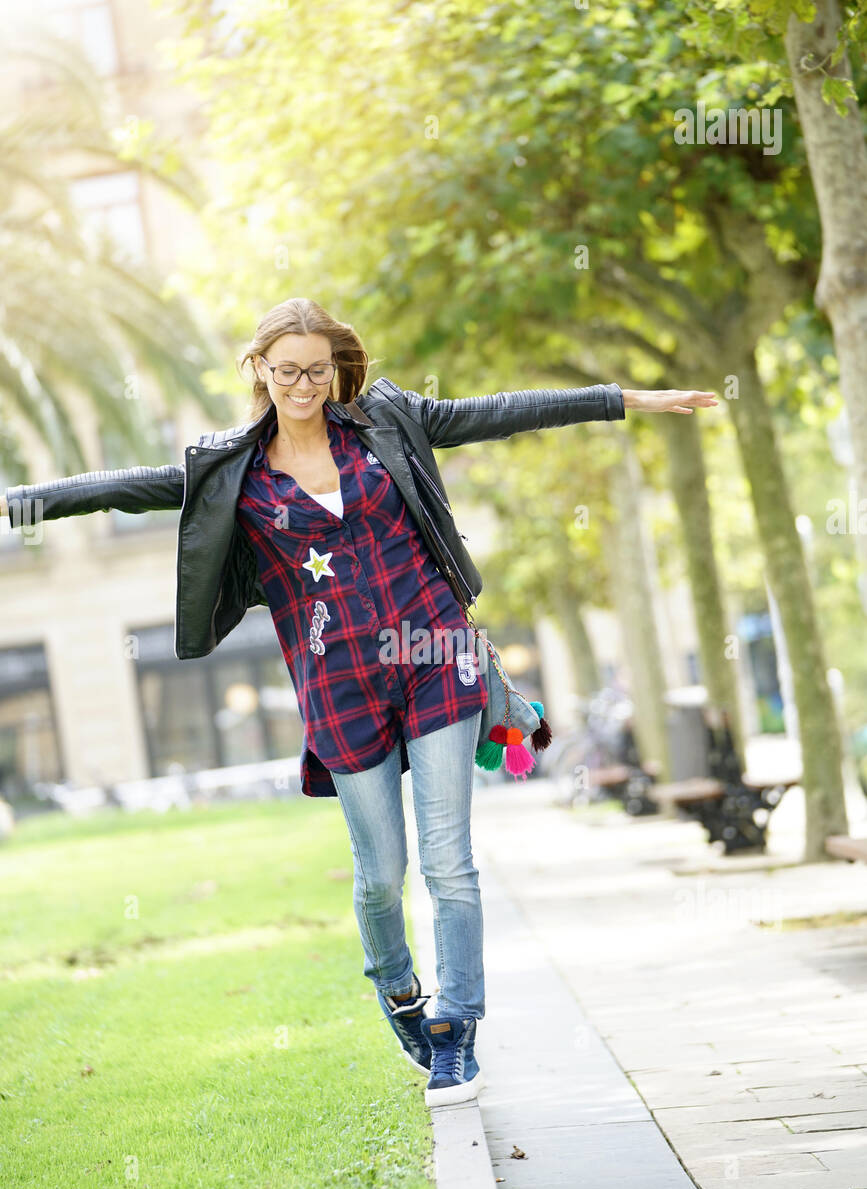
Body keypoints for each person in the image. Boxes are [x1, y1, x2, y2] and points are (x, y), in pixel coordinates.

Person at [0, 296, 717, 1106]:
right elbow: (123, 488)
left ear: (338, 368)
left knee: (449, 862)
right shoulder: (231, 471)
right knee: (381, 875)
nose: (303, 385)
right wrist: (19, 502)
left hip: (432, 653)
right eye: (286, 370)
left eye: (317, 369)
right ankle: (399, 989)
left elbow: (504, 412)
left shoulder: (386, 422)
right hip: (337, 682)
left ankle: (455, 1031)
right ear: (260, 371)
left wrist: (628, 400)